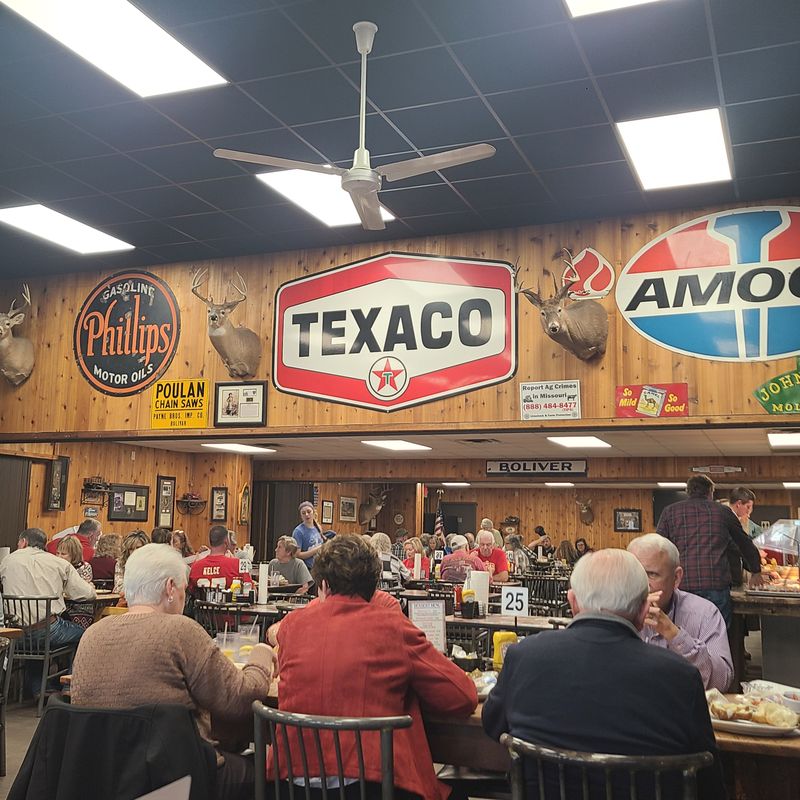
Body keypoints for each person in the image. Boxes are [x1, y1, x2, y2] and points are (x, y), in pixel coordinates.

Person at [482, 549, 725, 799]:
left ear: (573, 602)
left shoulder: (523, 657)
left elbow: (492, 726)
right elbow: (708, 782)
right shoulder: (681, 677)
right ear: (644, 610)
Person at [275, 535, 477, 800]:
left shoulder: (291, 626)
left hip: (290, 784)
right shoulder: (392, 626)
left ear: (322, 585)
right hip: (370, 785)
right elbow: (462, 697)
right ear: (374, 587)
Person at [71, 544, 276, 800]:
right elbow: (240, 698)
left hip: (103, 778)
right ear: (170, 588)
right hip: (174, 779)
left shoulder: (91, 634)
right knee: (272, 772)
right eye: (183, 589)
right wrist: (262, 652)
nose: (184, 596)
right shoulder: (180, 629)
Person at [627, 534, 733, 692]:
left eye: (651, 574)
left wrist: (673, 634)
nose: (641, 584)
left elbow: (721, 682)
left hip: (681, 710)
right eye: (634, 574)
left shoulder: (704, 613)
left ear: (676, 578)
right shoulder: (614, 610)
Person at [656, 474, 764, 627]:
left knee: (682, 632)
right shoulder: (723, 512)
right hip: (716, 584)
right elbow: (743, 542)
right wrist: (756, 570)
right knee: (715, 634)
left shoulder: (669, 512)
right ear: (710, 492)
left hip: (682, 585)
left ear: (688, 491)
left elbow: (659, 547)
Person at [0, 527, 96, 694]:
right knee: (86, 635)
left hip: (13, 634)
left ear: (24, 542)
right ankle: (69, 685)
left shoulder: (7, 561)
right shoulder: (59, 563)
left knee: (36, 641)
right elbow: (87, 594)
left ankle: (39, 688)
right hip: (47, 631)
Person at [189, 525, 252, 593]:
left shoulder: (195, 566)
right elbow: (250, 591)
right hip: (229, 603)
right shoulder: (239, 564)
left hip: (202, 603)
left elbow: (190, 592)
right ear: (227, 542)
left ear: (210, 542)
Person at [56, 534, 96, 630]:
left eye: (63, 554)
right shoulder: (56, 567)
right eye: (57, 553)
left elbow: (81, 591)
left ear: (74, 554)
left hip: (80, 606)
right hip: (62, 606)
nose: (59, 557)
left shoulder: (85, 567)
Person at [113, 530, 150, 597]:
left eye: (138, 548)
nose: (135, 552)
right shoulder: (121, 563)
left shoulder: (153, 564)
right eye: (131, 549)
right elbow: (118, 588)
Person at [292, 501, 324, 568]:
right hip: (307, 568)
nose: (306, 514)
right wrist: (317, 550)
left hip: (320, 567)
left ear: (313, 512)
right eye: (303, 513)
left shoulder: (318, 527)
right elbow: (297, 555)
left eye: (309, 512)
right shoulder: (298, 531)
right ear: (301, 516)